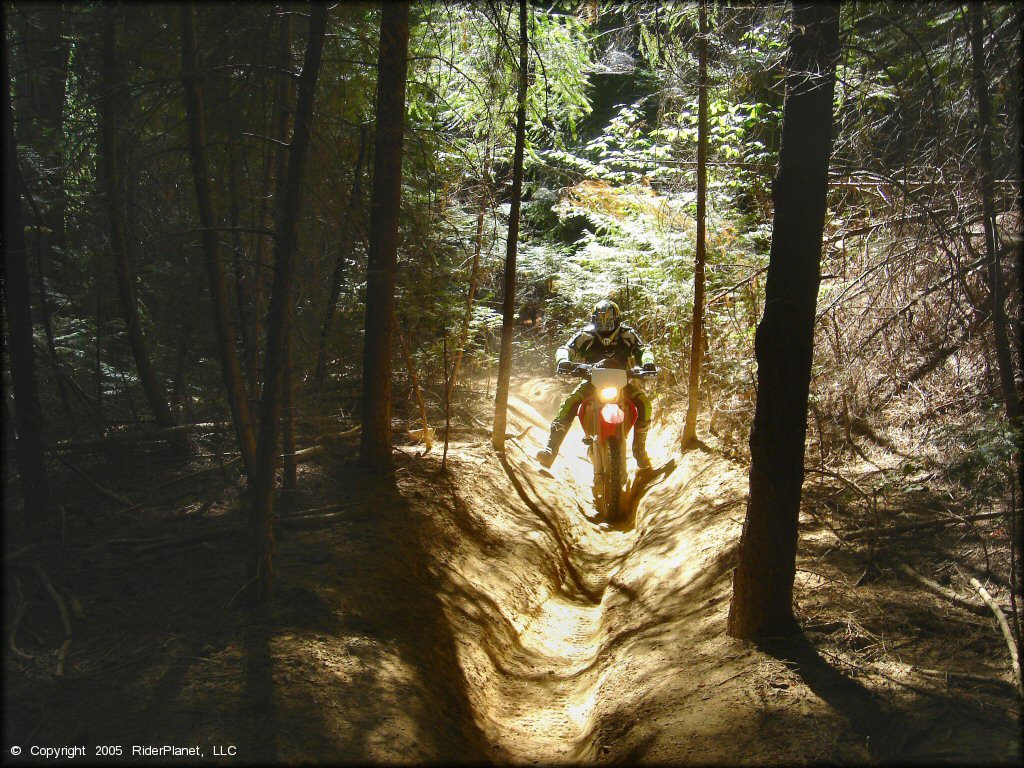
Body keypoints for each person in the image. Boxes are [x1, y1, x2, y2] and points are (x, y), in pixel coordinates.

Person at [536, 299, 656, 470]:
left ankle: (639, 449)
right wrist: (563, 361)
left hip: (621, 383)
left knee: (644, 403)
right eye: (599, 320)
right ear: (593, 319)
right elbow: (566, 349)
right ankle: (550, 450)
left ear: (617, 319)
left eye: (608, 320)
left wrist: (648, 363)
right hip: (592, 382)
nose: (604, 325)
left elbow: (643, 350)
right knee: (569, 403)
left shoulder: (627, 334)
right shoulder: (586, 335)